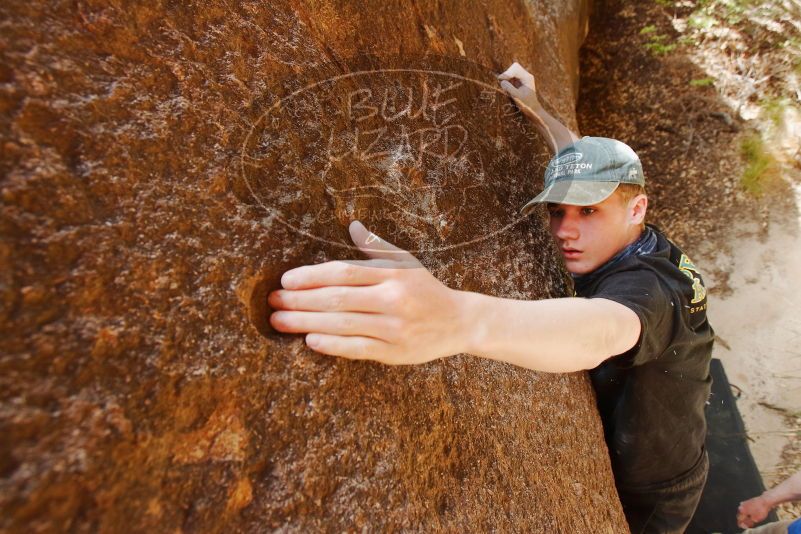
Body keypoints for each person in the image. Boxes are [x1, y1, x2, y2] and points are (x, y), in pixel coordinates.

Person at [267, 62, 714, 533]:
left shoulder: (653, 290)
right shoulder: (631, 233)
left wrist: (462, 319)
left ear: (636, 208)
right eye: (557, 211)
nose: (566, 230)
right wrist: (538, 107)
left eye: (588, 211)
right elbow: (580, 159)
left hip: (655, 485)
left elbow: (606, 329)